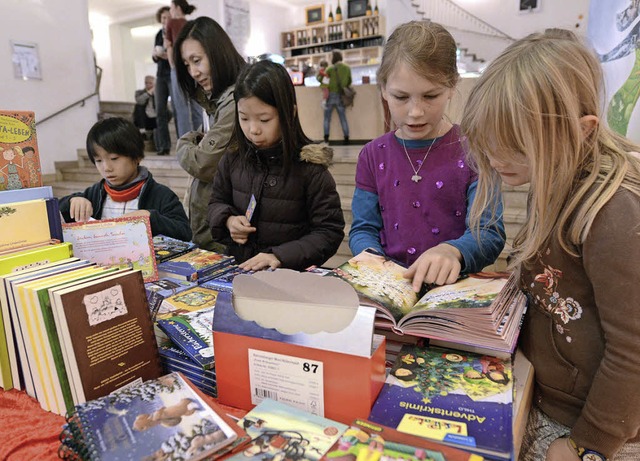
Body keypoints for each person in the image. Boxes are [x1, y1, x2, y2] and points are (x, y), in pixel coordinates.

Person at [461, 28, 640, 461]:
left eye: (515, 147)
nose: (495, 157)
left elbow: (633, 351)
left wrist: (588, 444)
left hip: (593, 429)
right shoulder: (555, 175)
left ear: (582, 131)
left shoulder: (612, 213)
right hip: (543, 396)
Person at [349, 21, 505, 291]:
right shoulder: (373, 155)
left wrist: (452, 251)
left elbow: (489, 233)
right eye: (401, 97)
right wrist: (370, 256)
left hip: (452, 290)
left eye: (430, 96)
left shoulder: (474, 150)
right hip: (390, 287)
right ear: (383, 89)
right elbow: (363, 228)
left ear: (452, 86)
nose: (415, 112)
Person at [207, 60, 345, 271]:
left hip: (289, 281)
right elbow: (216, 202)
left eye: (264, 119)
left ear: (289, 113)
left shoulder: (310, 168)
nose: (253, 129)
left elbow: (329, 232)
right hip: (240, 273)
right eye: (244, 118)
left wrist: (279, 256)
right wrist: (227, 220)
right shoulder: (233, 158)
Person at [173, 16, 246, 251]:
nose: (193, 72)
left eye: (197, 60)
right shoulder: (215, 100)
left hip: (229, 231)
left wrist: (186, 142)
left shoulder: (234, 99)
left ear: (217, 53)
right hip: (218, 223)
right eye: (187, 65)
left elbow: (203, 163)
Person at [58, 117, 192, 242]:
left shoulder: (161, 195)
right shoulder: (94, 194)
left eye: (114, 159)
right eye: (98, 160)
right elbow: (55, 211)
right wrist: (72, 201)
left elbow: (184, 232)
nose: (107, 168)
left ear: (137, 157)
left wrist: (150, 218)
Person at [164, 0, 202, 137]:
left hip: (179, 68)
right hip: (192, 67)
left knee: (182, 108)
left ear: (177, 8)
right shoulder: (190, 25)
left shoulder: (171, 23)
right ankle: (201, 142)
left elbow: (169, 46)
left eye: (171, 7)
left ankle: (185, 147)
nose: (170, 10)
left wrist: (173, 66)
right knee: (197, 106)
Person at [152, 6, 172, 156]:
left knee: (178, 110)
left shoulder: (174, 32)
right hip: (160, 75)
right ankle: (164, 146)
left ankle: (183, 144)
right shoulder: (159, 34)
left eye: (168, 17)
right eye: (163, 18)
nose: (165, 20)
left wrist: (167, 55)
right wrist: (155, 55)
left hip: (172, 74)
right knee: (160, 111)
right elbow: (155, 55)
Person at [323, 50, 351, 144]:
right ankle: (346, 138)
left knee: (327, 118)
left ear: (333, 58)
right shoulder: (347, 68)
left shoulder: (330, 69)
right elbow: (349, 81)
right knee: (343, 118)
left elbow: (323, 81)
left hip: (331, 96)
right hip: (340, 96)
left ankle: (326, 138)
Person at [133, 75, 157, 148]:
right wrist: (148, 93)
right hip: (143, 119)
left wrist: (154, 93)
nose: (148, 85)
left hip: (154, 118)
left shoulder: (158, 94)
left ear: (154, 84)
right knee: (138, 106)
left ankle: (155, 133)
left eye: (150, 83)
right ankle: (142, 132)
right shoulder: (139, 92)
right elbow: (139, 101)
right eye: (146, 83)